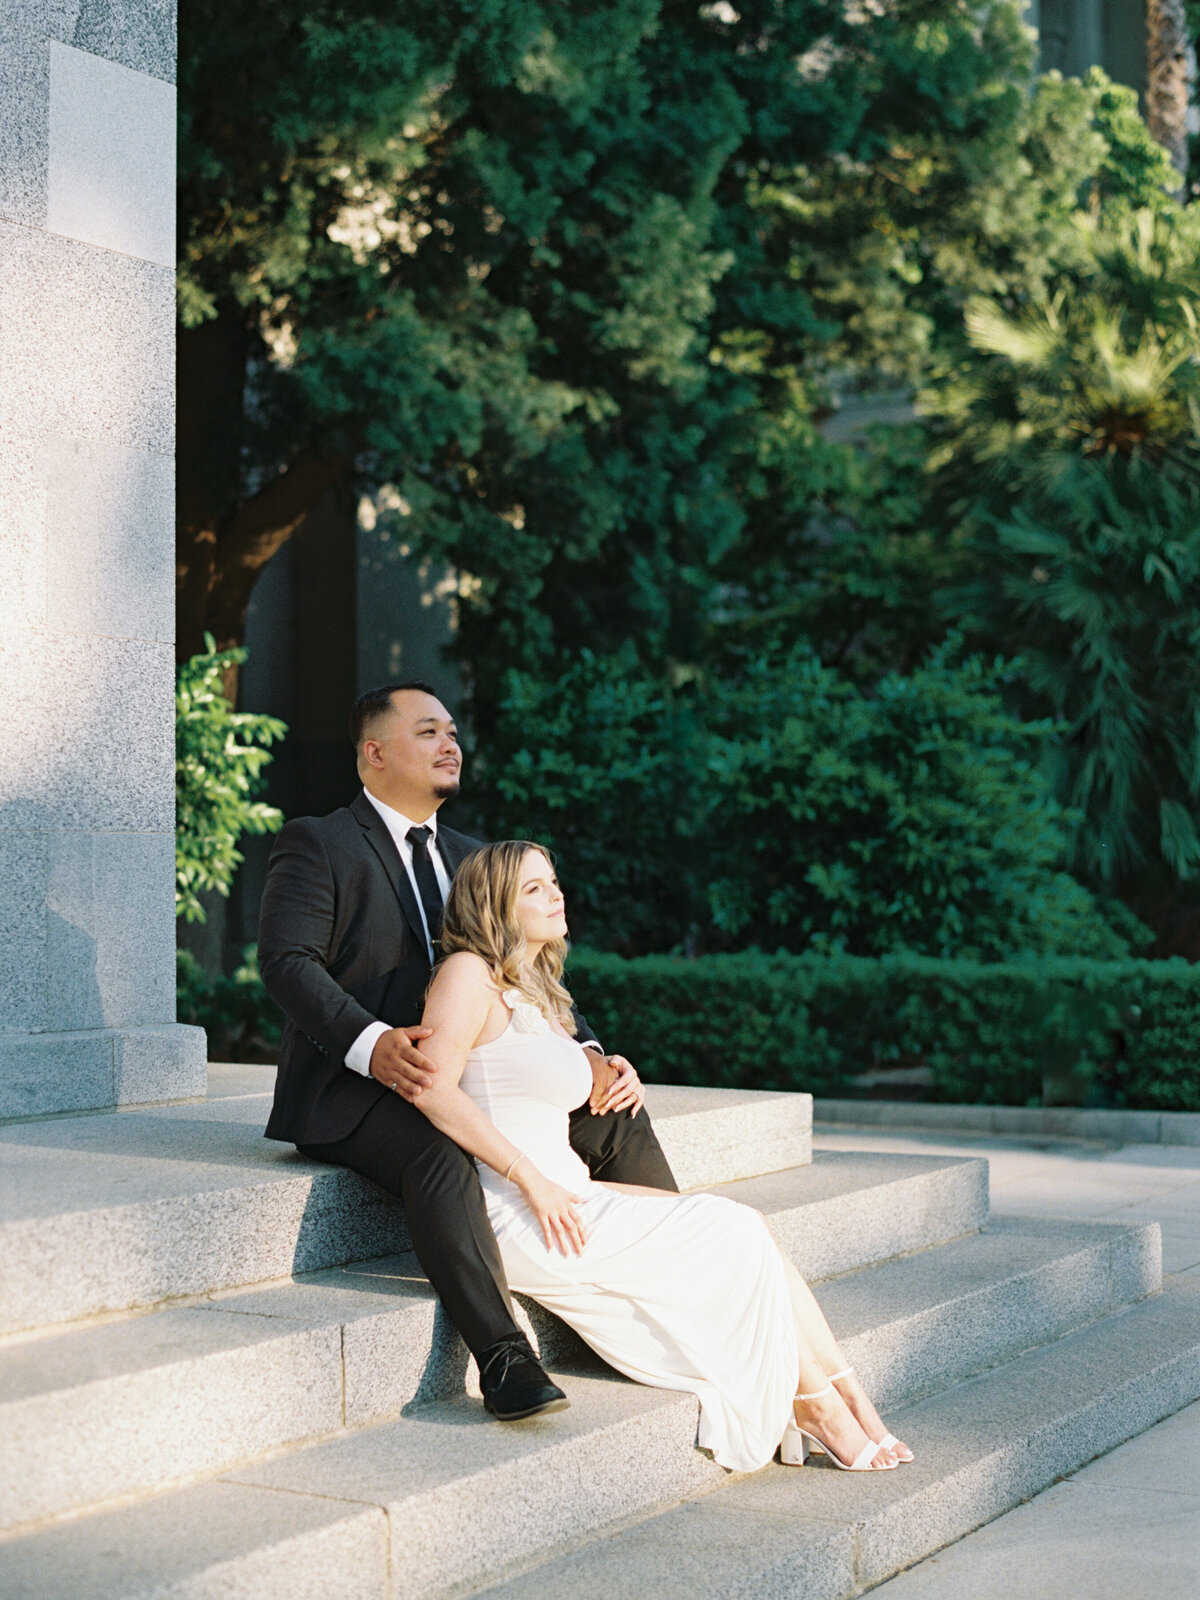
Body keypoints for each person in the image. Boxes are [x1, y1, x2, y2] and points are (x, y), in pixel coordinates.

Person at [409, 839, 915, 1474]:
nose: (556, 894)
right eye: (534, 887)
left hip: (573, 1193)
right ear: (494, 904)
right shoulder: (466, 974)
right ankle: (815, 1407)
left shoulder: (537, 989)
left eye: (555, 881)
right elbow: (431, 1087)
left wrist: (613, 1068)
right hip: (523, 1207)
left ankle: (850, 1399)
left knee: (748, 1226)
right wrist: (529, 1179)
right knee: (730, 1232)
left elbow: (539, 1075)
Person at [257, 682, 679, 1423]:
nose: (451, 743)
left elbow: (529, 969)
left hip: (476, 1072)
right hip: (354, 1088)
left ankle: (671, 1270)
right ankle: (504, 1356)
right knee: (438, 1148)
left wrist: (588, 1051)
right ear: (375, 753)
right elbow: (288, 963)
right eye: (428, 732)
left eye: (453, 731)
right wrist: (372, 1044)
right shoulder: (319, 843)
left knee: (614, 1110)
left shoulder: (474, 856)